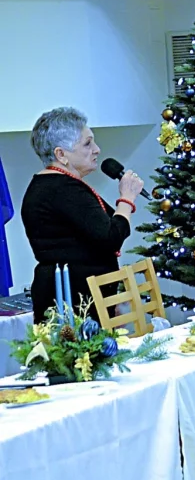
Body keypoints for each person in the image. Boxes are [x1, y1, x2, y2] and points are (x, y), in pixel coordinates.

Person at [21, 108, 144, 323]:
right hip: (73, 300)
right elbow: (111, 236)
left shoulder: (60, 184)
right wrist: (127, 198)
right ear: (61, 154)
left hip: (80, 293)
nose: (97, 150)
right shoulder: (61, 189)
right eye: (87, 144)